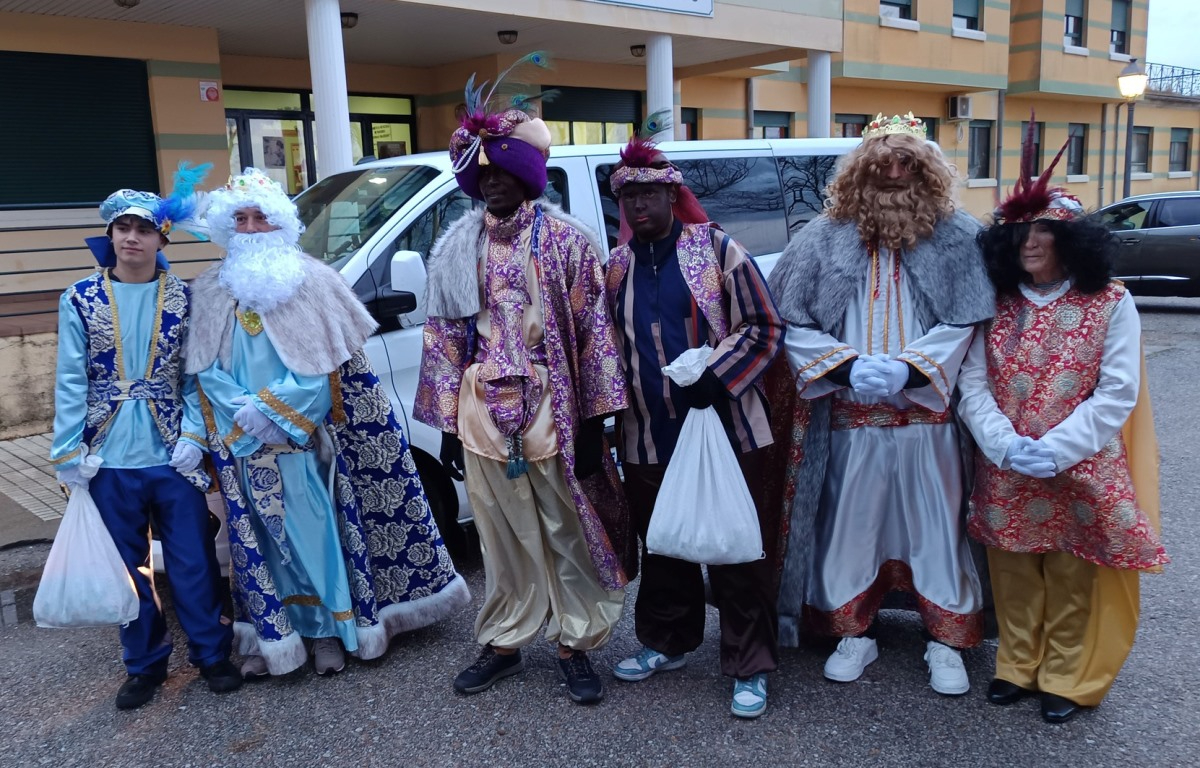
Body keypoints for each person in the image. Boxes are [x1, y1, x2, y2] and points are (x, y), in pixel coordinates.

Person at [181, 167, 470, 679]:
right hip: (240, 441)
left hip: (302, 440)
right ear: (226, 228)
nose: (250, 229)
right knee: (260, 546)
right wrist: (241, 413)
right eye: (240, 219)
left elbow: (324, 373)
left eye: (261, 218)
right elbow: (203, 369)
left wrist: (272, 413)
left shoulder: (314, 282)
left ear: (281, 226)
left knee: (315, 535)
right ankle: (275, 636)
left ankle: (327, 632)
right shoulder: (207, 291)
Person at [415, 75, 629, 705]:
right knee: (499, 534)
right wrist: (450, 423)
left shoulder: (567, 243)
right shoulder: (456, 249)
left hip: (552, 408)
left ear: (528, 175)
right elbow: (445, 338)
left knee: (565, 529)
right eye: (482, 176)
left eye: (504, 173)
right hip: (482, 410)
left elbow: (594, 331)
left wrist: (594, 424)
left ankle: (574, 641)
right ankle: (505, 640)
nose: (493, 183)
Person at [768, 113, 995, 695]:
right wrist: (846, 365)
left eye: (908, 164)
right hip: (850, 414)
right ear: (861, 173)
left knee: (936, 525)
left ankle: (945, 637)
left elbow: (969, 318)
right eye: (883, 165)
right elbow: (789, 320)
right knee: (851, 523)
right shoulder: (819, 237)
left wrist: (909, 366)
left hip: (929, 418)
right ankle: (853, 630)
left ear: (926, 172)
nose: (895, 175)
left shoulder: (959, 235)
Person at [956, 129, 1168, 723]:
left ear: (1071, 240)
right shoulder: (995, 302)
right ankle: (1017, 665)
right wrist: (1001, 444)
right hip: (1005, 461)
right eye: (1021, 231)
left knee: (1074, 569)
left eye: (1044, 230)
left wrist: (1056, 449)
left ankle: (1067, 675)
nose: (1030, 242)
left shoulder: (1111, 301)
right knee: (1013, 566)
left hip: (1079, 461)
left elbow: (1118, 390)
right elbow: (972, 383)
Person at [602, 122, 785, 719]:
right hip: (648, 436)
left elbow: (764, 327)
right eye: (628, 198)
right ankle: (666, 642)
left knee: (738, 550)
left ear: (670, 195)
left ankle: (750, 665)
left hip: (729, 432)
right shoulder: (617, 268)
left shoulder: (717, 250)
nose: (638, 205)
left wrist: (719, 376)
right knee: (665, 549)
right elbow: (607, 350)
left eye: (649, 195)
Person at [50, 167, 243, 710]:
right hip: (105, 458)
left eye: (143, 229)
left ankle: (211, 654)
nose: (132, 237)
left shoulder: (185, 298)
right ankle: (144, 664)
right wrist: (68, 451)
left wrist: (194, 436)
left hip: (172, 457)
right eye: (122, 228)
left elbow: (196, 374)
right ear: (109, 235)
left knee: (193, 561)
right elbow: (70, 376)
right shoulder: (80, 299)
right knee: (127, 567)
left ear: (162, 238)